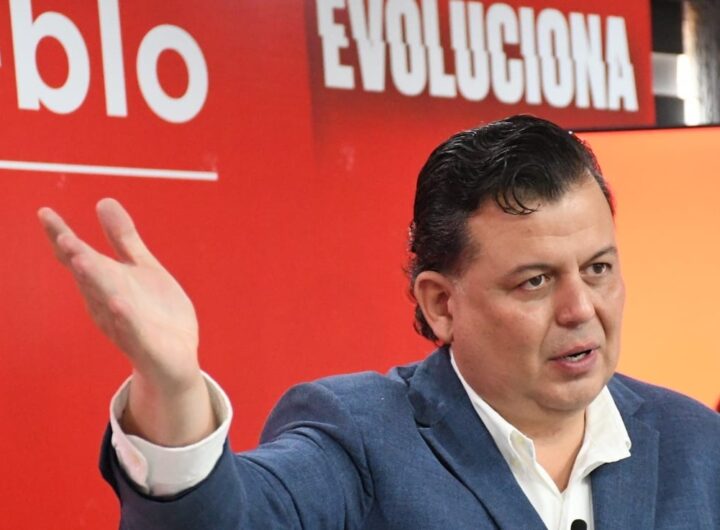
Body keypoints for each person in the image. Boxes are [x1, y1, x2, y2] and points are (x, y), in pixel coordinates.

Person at [39, 116, 720, 529]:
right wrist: (174, 386)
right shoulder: (359, 437)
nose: (580, 309)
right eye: (535, 281)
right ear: (441, 304)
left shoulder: (696, 441)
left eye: (597, 269)